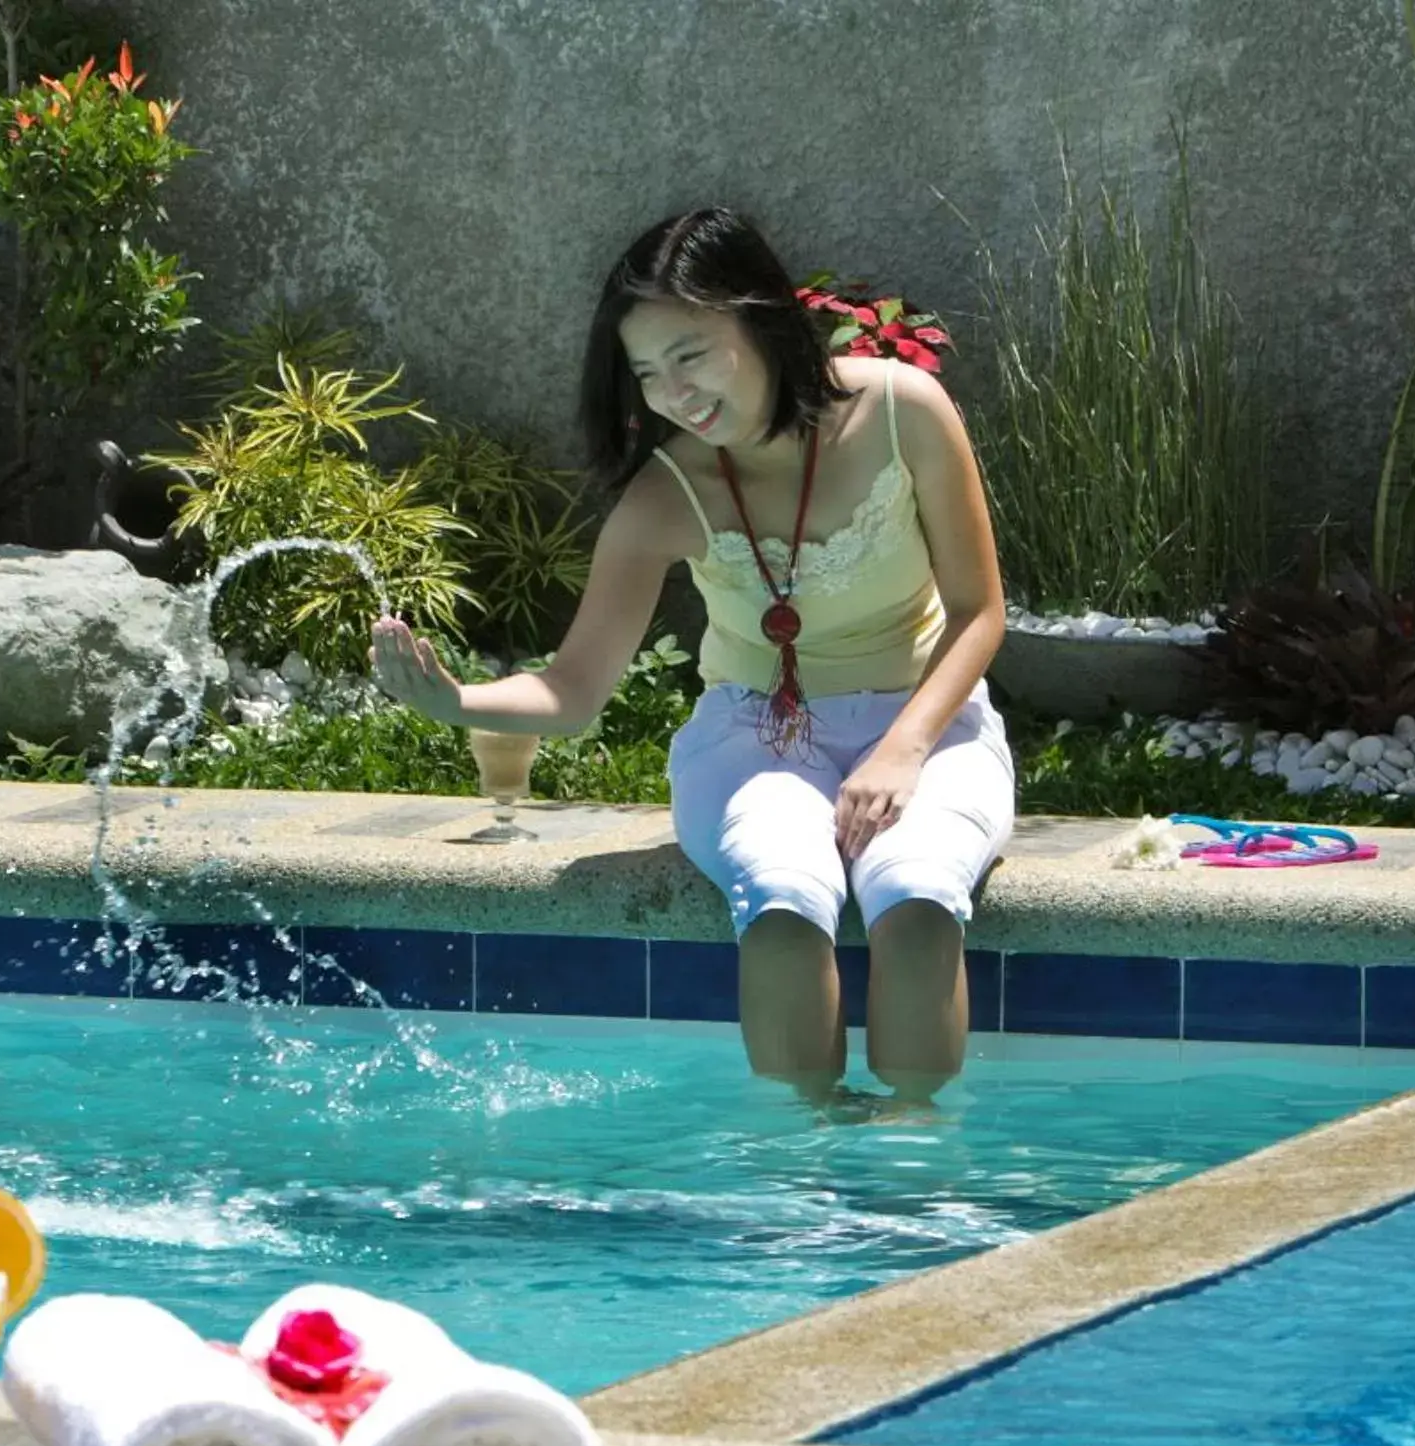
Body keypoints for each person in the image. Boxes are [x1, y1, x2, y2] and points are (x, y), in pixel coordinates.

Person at [369, 207, 1015, 1101]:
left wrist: (902, 751)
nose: (673, 392)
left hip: (924, 724)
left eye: (690, 355)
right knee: (784, 895)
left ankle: (910, 1156)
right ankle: (806, 1153)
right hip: (754, 739)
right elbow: (572, 688)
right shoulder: (665, 494)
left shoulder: (902, 412)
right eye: (646, 373)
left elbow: (980, 612)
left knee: (913, 891)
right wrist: (455, 703)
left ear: (758, 319)